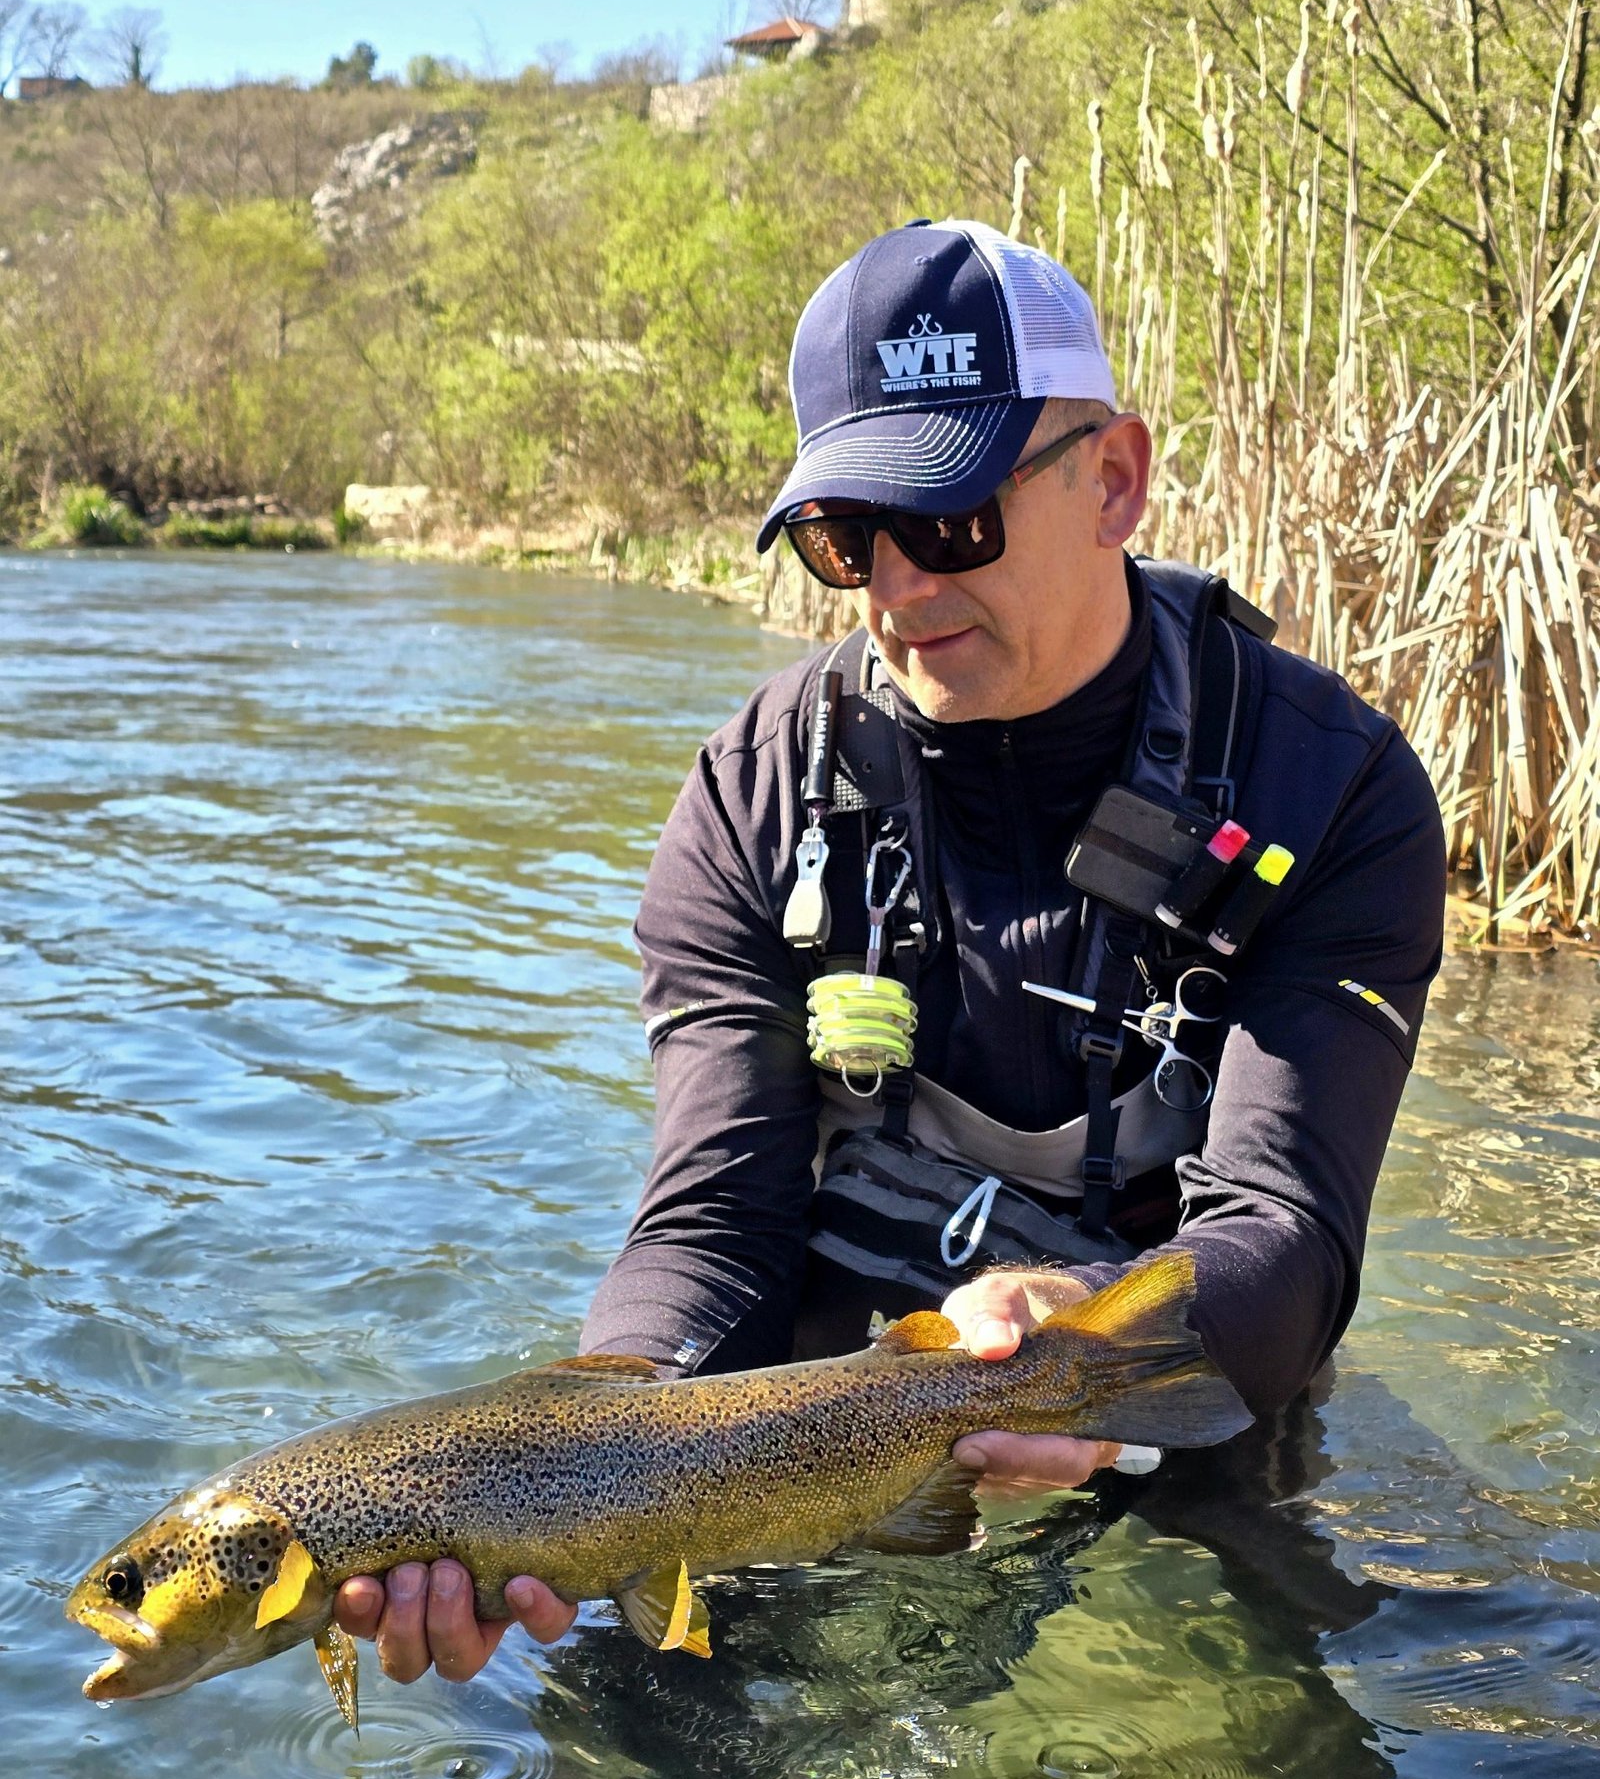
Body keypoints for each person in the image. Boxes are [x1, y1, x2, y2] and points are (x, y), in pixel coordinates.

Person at [335, 217, 1447, 1686]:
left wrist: (1086, 1351)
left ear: (1115, 480)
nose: (901, 591)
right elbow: (713, 1221)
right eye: (848, 538)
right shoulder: (749, 796)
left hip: (1184, 1384)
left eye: (955, 518)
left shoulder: (1331, 789)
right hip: (803, 1424)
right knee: (631, 1739)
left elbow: (1287, 1227)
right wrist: (576, 1453)